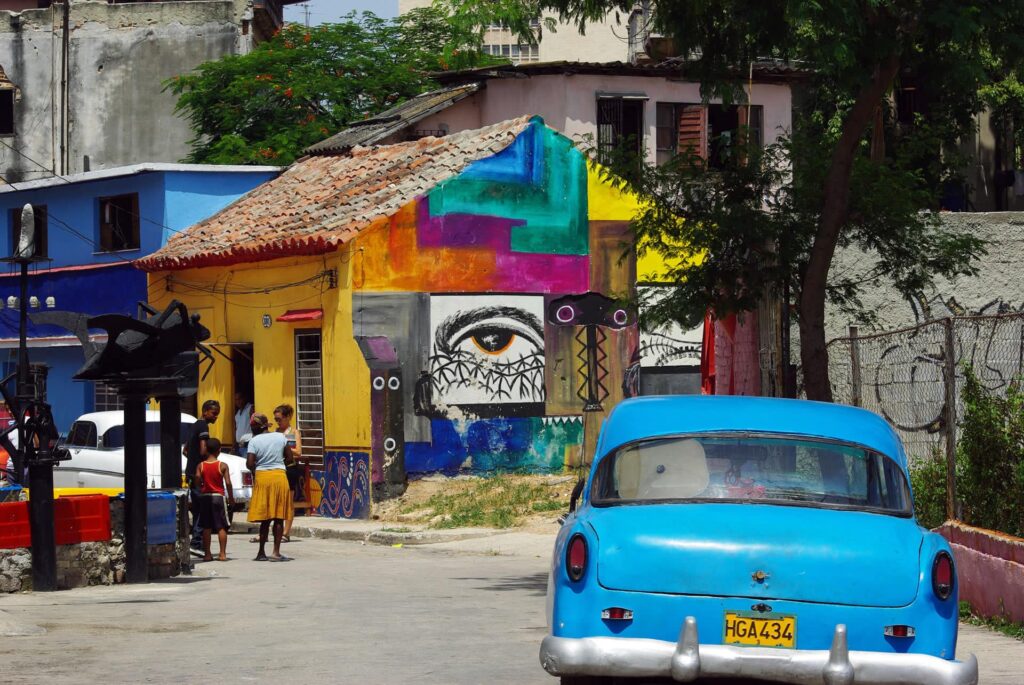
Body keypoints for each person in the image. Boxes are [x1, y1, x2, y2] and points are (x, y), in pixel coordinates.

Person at [246, 413, 294, 562]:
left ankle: (261, 552)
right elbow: (290, 458)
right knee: (278, 517)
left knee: (265, 518)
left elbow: (249, 463)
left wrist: (258, 467)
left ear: (254, 427)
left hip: (262, 478)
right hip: (279, 477)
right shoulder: (280, 437)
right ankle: (276, 552)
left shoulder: (253, 441)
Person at [184, 399, 220, 551]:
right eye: (213, 413)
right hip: (199, 475)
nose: (215, 417)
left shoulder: (194, 425)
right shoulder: (203, 426)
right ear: (205, 411)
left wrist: (193, 463)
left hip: (190, 472)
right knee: (203, 508)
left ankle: (195, 541)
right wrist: (207, 463)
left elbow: (185, 450)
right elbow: (203, 450)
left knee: (198, 508)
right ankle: (197, 543)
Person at [195, 438, 234, 562]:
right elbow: (228, 483)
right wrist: (231, 498)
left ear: (206, 449)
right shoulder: (222, 465)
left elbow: (197, 480)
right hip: (218, 497)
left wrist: (200, 486)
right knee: (221, 526)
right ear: (219, 451)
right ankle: (222, 554)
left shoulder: (201, 465)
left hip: (205, 497)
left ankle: (207, 554)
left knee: (206, 527)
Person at [274, 404, 302, 543]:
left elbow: (298, 451)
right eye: (276, 419)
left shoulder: (294, 432)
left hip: (290, 468)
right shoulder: (275, 432)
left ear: (287, 417)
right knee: (277, 500)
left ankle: (286, 532)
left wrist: (285, 450)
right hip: (278, 468)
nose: (278, 422)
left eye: (279, 419)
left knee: (289, 501)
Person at [234, 392, 253, 456]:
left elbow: (254, 425)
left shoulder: (250, 408)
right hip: (239, 446)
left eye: (239, 399)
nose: (238, 401)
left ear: (244, 398)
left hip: (248, 444)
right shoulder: (237, 413)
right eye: (236, 400)